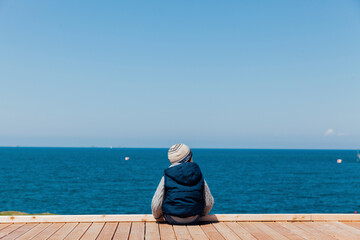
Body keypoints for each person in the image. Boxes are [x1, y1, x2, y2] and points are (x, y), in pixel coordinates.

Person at [151, 143, 214, 225]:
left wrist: (158, 217)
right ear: (189, 157)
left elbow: (156, 204)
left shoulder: (167, 175)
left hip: (172, 218)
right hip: (195, 218)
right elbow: (209, 203)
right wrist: (201, 214)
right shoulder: (198, 173)